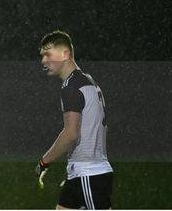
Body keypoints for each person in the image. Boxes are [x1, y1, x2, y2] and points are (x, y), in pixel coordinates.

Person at [35, 30, 113, 209]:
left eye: (48, 54)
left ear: (65, 54)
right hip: (84, 173)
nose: (44, 61)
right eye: (42, 56)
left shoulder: (71, 86)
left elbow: (71, 133)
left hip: (89, 174)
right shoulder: (89, 81)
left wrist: (44, 161)